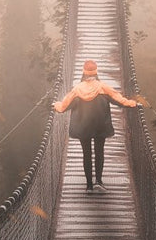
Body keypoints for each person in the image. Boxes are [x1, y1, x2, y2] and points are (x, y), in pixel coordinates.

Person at [53, 59, 138, 193]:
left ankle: (88, 186)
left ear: (84, 72)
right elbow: (119, 100)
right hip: (100, 125)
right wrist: (133, 103)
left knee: (86, 154)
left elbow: (63, 106)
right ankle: (98, 181)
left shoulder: (77, 89)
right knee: (99, 152)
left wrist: (56, 105)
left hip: (83, 126)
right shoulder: (103, 87)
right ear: (96, 72)